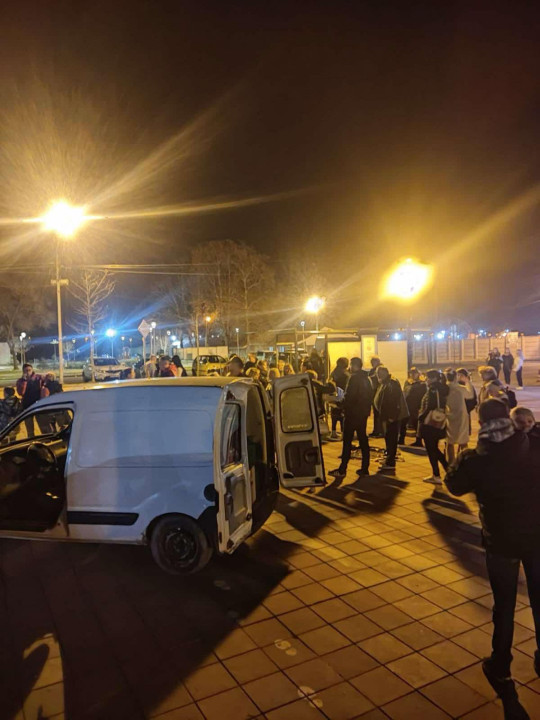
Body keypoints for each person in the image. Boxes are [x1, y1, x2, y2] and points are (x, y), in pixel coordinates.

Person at [445, 398, 540, 704]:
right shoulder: (532, 444)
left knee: (504, 606)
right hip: (537, 536)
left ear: (481, 422)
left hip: (501, 541)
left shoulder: (475, 459)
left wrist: (460, 459)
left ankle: (501, 665)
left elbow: (453, 485)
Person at [329, 357, 373, 479]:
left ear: (354, 365)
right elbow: (370, 396)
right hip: (362, 414)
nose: (350, 367)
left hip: (352, 414)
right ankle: (365, 468)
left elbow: (350, 397)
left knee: (347, 441)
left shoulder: (354, 378)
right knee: (363, 440)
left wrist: (338, 404)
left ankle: (342, 469)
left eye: (351, 365)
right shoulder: (367, 379)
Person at [374, 365, 408, 472]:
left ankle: (390, 462)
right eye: (377, 373)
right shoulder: (385, 382)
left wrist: (392, 417)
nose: (378, 375)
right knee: (388, 438)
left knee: (391, 439)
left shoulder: (391, 383)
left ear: (385, 373)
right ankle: (389, 458)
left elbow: (394, 402)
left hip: (391, 417)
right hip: (387, 416)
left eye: (379, 373)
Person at [418, 369, 449, 484]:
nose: (426, 380)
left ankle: (437, 474)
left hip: (430, 423)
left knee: (431, 449)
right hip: (439, 421)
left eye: (428, 378)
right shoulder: (443, 388)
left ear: (433, 378)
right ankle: (447, 470)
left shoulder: (433, 389)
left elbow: (430, 405)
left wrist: (421, 417)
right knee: (434, 448)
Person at [445, 369, 474, 464]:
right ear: (455, 377)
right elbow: (470, 395)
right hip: (461, 416)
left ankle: (451, 461)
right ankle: (465, 461)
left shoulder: (445, 388)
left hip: (449, 415)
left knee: (450, 441)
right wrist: (468, 381)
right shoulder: (460, 388)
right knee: (463, 440)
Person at [399, 367, 426, 447]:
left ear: (418, 374)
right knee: (403, 423)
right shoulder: (408, 382)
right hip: (407, 405)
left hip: (415, 407)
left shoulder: (422, 384)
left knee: (416, 424)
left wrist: (420, 407)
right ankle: (401, 439)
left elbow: (423, 396)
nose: (412, 374)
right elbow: (404, 392)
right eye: (411, 373)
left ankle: (418, 441)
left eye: (414, 373)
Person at [329, 358, 350, 439]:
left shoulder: (334, 372)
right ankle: (343, 432)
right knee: (342, 415)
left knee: (334, 414)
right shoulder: (345, 374)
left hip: (335, 394)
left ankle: (333, 432)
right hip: (342, 394)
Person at [457, 367, 477, 434]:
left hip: (465, 412)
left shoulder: (468, 386)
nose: (459, 377)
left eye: (461, 375)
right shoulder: (455, 385)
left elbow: (473, 400)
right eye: (458, 375)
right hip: (456, 412)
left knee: (464, 432)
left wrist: (466, 409)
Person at [368, 356, 384, 437]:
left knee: (380, 413)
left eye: (373, 362)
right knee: (376, 414)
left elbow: (374, 378)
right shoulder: (372, 370)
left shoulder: (380, 369)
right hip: (373, 393)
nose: (372, 364)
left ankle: (381, 431)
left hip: (379, 393)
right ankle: (376, 430)